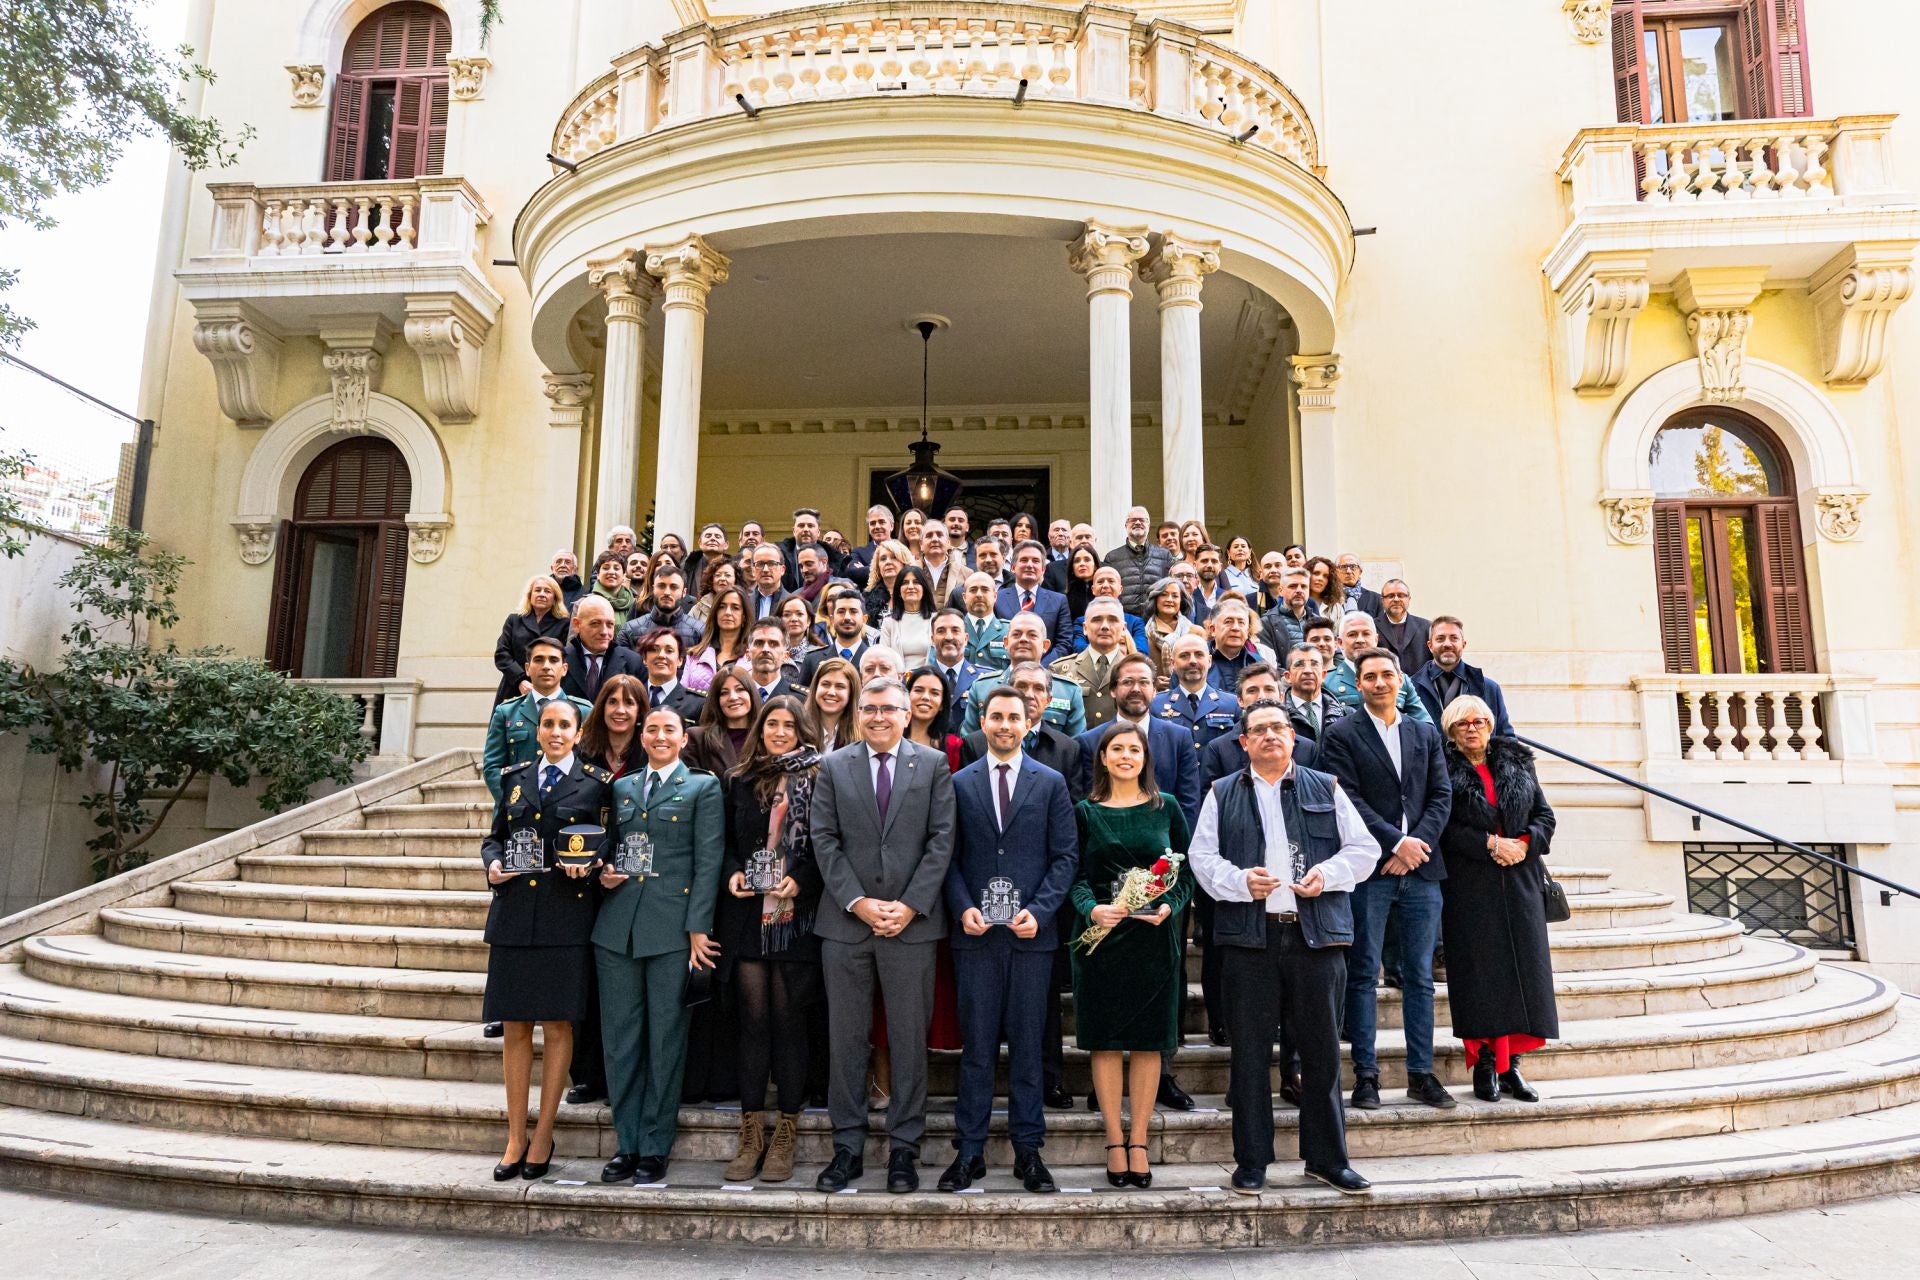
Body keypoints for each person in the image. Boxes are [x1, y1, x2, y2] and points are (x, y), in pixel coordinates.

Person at [1186, 699, 1379, 1196]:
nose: (1271, 735)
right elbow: (1201, 856)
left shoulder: (1326, 786)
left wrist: (1327, 875)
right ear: (1243, 741)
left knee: (1321, 1055)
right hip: (1251, 940)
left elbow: (1364, 850)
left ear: (1293, 737)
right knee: (1249, 1056)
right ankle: (1251, 1161)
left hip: (1316, 937)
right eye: (1260, 730)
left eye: (1280, 727)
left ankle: (1328, 1159)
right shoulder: (1221, 792)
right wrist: (1237, 881)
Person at [811, 676, 959, 1195]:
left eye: (888, 709)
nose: (878, 717)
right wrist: (859, 902)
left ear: (905, 712)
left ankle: (904, 1150)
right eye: (869, 708)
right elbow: (823, 840)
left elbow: (943, 839)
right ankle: (846, 1148)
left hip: (911, 925)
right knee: (846, 1040)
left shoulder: (933, 765)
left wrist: (911, 904)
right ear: (859, 714)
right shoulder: (832, 766)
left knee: (908, 1039)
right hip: (847, 923)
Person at [938, 685, 1078, 1194]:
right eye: (995, 716)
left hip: (1030, 937)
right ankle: (968, 1152)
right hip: (975, 936)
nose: (1003, 725)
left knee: (1026, 1047)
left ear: (1027, 721)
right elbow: (947, 858)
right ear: (982, 720)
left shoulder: (1051, 783)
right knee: (976, 1048)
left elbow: (1065, 857)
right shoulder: (958, 783)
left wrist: (1040, 913)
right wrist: (962, 907)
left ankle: (1029, 1152)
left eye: (1013, 717)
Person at [479, 699, 612, 1181]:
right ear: (538, 731)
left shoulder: (596, 784)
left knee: (557, 1027)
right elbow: (495, 837)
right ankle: (515, 1135)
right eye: (548, 724)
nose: (555, 732)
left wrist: (595, 866)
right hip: (515, 917)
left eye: (565, 725)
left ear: (578, 732)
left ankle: (543, 1134)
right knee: (514, 1027)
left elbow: (609, 843)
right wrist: (491, 863)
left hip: (565, 918)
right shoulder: (515, 778)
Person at [594, 706, 725, 1186]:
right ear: (641, 737)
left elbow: (709, 862)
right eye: (652, 730)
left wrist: (699, 928)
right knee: (621, 1042)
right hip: (617, 929)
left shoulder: (702, 787)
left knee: (666, 1041)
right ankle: (626, 1144)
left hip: (673, 929)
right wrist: (604, 872)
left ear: (683, 737)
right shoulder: (623, 787)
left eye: (669, 729)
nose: (660, 736)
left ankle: (654, 1145)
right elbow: (610, 848)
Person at [1320, 647, 1455, 1111]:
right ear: (1358, 685)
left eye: (1387, 675)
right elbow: (1348, 798)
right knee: (1363, 974)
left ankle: (1422, 1074)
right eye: (1370, 676)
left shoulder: (1425, 732)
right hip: (1370, 871)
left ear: (1401, 681)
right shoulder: (1341, 734)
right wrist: (1394, 844)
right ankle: (1367, 1076)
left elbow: (1441, 795)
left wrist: (1415, 845)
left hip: (1422, 870)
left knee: (1419, 976)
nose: (1379, 682)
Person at [1070, 721, 1193, 1189]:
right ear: (1102, 757)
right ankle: (1113, 1139)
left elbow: (1186, 871)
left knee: (1147, 1042)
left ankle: (1138, 1140)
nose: (1125, 756)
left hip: (1153, 941)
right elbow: (1075, 875)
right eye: (1116, 749)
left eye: (1133, 749)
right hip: (1101, 940)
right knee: (1104, 1042)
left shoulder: (1168, 807)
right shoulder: (1084, 811)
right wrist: (1091, 908)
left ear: (1145, 758)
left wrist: (1170, 906)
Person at [717, 696, 826, 1183]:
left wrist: (801, 878)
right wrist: (734, 874)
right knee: (753, 1021)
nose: (779, 731)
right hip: (747, 916)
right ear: (760, 728)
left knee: (789, 1021)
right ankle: (750, 1130)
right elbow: (724, 845)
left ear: (802, 729)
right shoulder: (739, 780)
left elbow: (829, 844)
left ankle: (786, 1129)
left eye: (788, 724)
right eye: (772, 724)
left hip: (795, 916)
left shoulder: (821, 778)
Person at [1438, 695, 1558, 1104]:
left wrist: (1524, 844)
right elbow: (1443, 827)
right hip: (1471, 887)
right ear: (1451, 733)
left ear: (1490, 725)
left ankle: (1513, 1068)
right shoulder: (1442, 768)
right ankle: (1486, 1064)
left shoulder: (1518, 762)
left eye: (1478, 721)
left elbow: (1545, 816)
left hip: (1521, 882)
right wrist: (1488, 843)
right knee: (1481, 977)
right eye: (1461, 724)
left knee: (1524, 974)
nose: (1471, 728)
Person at [483, 634, 593, 803]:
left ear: (564, 669)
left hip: (568, 808)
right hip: (516, 811)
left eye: (553, 660)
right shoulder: (506, 712)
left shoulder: (584, 711)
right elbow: (492, 768)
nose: (546, 666)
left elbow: (591, 765)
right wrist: (514, 803)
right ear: (527, 668)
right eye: (539, 660)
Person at [960, 613, 1087, 737]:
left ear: (1045, 645)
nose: (1023, 639)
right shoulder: (981, 687)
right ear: (1006, 642)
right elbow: (970, 742)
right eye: (1016, 634)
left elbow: (1074, 748)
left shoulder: (1068, 691)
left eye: (1032, 635)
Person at [1411, 615, 1515, 737]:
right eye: (1440, 639)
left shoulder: (1490, 688)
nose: (1447, 644)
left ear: (1463, 644)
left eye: (1454, 638)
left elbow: (1505, 737)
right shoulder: (1412, 687)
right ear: (1430, 646)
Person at [1323, 612, 1434, 724]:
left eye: (1366, 634)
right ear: (1340, 642)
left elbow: (1426, 726)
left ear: (1376, 640)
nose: (1360, 640)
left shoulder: (1400, 679)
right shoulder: (1326, 682)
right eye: (1352, 635)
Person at [493, 574, 572, 705]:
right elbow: (502, 653)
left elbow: (565, 657)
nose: (542, 594)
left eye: (547, 591)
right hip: (513, 685)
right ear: (530, 595)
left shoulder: (564, 624)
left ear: (555, 598)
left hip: (548, 688)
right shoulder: (514, 620)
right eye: (537, 590)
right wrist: (520, 680)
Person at [1152, 633, 1240, 749]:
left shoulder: (1232, 704)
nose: (1192, 661)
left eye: (1199, 655)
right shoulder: (1155, 705)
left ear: (1209, 661)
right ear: (1173, 663)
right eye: (1184, 656)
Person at [1052, 596, 1130, 728]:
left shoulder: (1136, 670)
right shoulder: (1060, 670)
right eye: (1097, 620)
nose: (1105, 626)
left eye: (1112, 620)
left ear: (1123, 628)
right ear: (1085, 628)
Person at [562, 595, 645, 704]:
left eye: (610, 624)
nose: (604, 632)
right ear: (577, 625)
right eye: (595, 623)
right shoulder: (560, 658)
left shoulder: (633, 662)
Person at [996, 541, 1072, 659]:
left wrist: (1039, 668)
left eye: (1035, 561)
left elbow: (1064, 643)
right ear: (1012, 567)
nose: (1030, 565)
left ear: (1043, 569)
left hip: (1045, 672)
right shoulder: (997, 599)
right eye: (1024, 560)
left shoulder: (1059, 601)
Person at [685, 668, 759, 777]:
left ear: (751, 693)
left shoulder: (766, 737)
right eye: (724, 693)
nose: (733, 697)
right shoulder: (697, 738)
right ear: (716, 700)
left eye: (740, 689)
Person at [1102, 505, 1174, 617]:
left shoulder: (1164, 555)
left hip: (1157, 619)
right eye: (1132, 520)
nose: (1137, 522)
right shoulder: (1112, 558)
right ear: (1126, 525)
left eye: (1142, 520)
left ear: (1149, 525)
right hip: (1125, 620)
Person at [618, 563, 702, 654]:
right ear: (653, 589)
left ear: (684, 592)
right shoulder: (630, 630)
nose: (667, 592)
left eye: (674, 587)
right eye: (661, 586)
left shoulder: (699, 631)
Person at [683, 585, 750, 694]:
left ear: (744, 617)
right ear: (715, 613)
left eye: (735, 607)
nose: (728, 612)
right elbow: (682, 697)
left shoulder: (752, 658)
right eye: (722, 607)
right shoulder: (695, 655)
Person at [801, 589, 874, 686]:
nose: (847, 617)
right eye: (841, 611)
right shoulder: (812, 660)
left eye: (853, 611)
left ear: (864, 619)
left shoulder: (874, 660)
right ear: (832, 619)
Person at [1141, 575, 1203, 685]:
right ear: (1155, 599)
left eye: (1175, 596)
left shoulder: (1196, 632)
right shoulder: (1143, 633)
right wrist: (1152, 682)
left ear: (1181, 601)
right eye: (1164, 595)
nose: (1169, 599)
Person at [636, 630, 705, 727]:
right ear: (644, 658)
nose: (661, 655)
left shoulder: (698, 703)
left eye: (669, 651)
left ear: (680, 660)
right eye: (654, 649)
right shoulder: (633, 698)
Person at [1283, 642, 1348, 743]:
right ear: (1287, 676)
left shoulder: (1346, 715)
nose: (1308, 671)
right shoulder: (1278, 717)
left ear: (1323, 675)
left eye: (1314, 664)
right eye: (1299, 664)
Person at [905, 666, 963, 769]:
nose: (925, 697)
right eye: (918, 690)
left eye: (934, 693)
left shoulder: (953, 746)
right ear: (907, 696)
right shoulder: (890, 738)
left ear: (942, 704)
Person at [879, 564, 937, 667]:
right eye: (905, 583)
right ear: (899, 592)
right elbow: (884, 659)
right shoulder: (889, 623)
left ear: (924, 590)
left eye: (916, 582)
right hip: (898, 680)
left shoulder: (937, 620)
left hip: (930, 678)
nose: (910, 587)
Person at [1257, 565, 1320, 657]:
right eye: (1293, 586)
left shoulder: (1319, 622)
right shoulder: (1266, 623)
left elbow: (1336, 655)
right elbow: (1269, 664)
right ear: (1281, 591)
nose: (1299, 590)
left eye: (1304, 586)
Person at [1374, 579, 1431, 680]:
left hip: (1420, 689)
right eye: (1390, 596)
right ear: (1382, 600)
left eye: (1401, 595)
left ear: (1409, 599)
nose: (1396, 599)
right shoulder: (1372, 627)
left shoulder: (1426, 626)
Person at [926, 608, 986, 700]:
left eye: (955, 630)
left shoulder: (985, 679)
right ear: (932, 640)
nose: (948, 637)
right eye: (941, 631)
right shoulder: (916, 680)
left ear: (966, 639)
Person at [1206, 599, 1265, 692]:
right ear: (1213, 630)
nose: (1236, 628)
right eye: (1228, 622)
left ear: (1247, 631)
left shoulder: (1259, 664)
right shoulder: (1198, 661)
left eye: (1241, 622)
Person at [805, 656, 859, 751]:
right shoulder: (797, 730)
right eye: (825, 684)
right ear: (815, 687)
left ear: (851, 693)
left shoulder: (862, 739)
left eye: (840, 686)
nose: (831, 692)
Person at [958, 572, 1010, 668]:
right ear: (964, 597)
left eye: (985, 590)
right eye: (973, 590)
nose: (978, 595)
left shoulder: (1009, 631)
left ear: (995, 596)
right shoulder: (953, 630)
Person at [743, 618, 797, 703]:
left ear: (786, 656)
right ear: (748, 654)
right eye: (759, 643)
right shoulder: (735, 696)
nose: (765, 649)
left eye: (773, 644)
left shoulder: (800, 699)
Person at [862, 538, 910, 621]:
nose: (888, 562)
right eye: (883, 559)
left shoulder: (916, 592)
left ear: (904, 563)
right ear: (878, 567)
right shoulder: (865, 598)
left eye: (894, 557)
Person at [917, 522, 965, 603]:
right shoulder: (909, 571)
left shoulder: (965, 573)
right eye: (929, 536)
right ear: (921, 544)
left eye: (940, 535)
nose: (935, 539)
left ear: (948, 542)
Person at [845, 504, 895, 581]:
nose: (877, 526)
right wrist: (892, 569)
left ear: (891, 526)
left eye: (882, 522)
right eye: (872, 523)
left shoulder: (902, 549)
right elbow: (853, 573)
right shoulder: (858, 552)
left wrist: (866, 569)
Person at [687, 557, 738, 628]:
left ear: (736, 580)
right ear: (711, 580)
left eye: (727, 575)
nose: (722, 578)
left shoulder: (743, 606)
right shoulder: (699, 607)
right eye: (718, 575)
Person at [745, 545, 792, 622]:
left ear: (782, 570)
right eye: (760, 564)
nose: (765, 570)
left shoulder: (793, 603)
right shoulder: (744, 602)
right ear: (753, 570)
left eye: (772, 564)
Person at [588, 550, 637, 620]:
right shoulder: (584, 604)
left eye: (616, 568)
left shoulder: (636, 606)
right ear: (598, 575)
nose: (611, 572)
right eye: (606, 568)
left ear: (624, 575)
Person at [1333, 554, 1384, 620]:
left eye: (1353, 567)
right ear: (1336, 572)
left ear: (1360, 572)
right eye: (1343, 567)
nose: (1348, 571)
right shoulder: (1328, 597)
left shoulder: (1375, 599)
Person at [1305, 555, 1345, 631]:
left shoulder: (1336, 607)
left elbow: (1340, 635)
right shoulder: (1299, 602)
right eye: (1316, 573)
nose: (1320, 578)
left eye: (1325, 576)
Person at [779, 595, 818, 660]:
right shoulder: (771, 651)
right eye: (787, 615)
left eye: (799, 614)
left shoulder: (818, 654)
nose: (794, 619)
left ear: (808, 621)